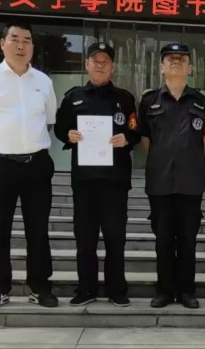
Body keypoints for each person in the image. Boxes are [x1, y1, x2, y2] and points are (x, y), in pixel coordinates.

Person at [0, 20, 58, 309]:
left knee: (38, 230)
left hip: (36, 165)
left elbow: (48, 121)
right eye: (14, 39)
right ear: (2, 43)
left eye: (27, 40)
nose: (21, 45)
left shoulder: (43, 81)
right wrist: (2, 142)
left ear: (32, 47)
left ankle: (40, 287)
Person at [54, 42, 139, 307]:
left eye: (105, 61)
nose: (100, 65)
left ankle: (117, 289)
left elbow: (136, 130)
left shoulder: (125, 99)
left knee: (115, 238)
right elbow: (60, 128)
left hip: (115, 181)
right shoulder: (73, 97)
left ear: (112, 67)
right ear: (87, 65)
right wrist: (68, 135)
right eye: (95, 61)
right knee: (85, 238)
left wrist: (127, 138)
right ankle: (86, 289)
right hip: (85, 181)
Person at [137, 42, 205, 309]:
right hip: (159, 182)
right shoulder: (149, 100)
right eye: (170, 58)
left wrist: (184, 156)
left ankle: (186, 292)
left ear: (190, 68)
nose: (176, 62)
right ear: (161, 67)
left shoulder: (202, 100)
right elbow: (145, 139)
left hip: (191, 181)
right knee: (163, 240)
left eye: (182, 58)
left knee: (187, 240)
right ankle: (164, 291)